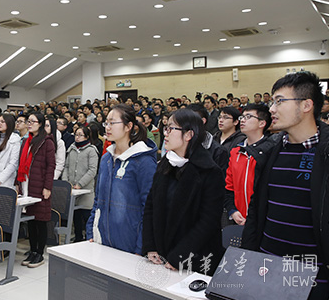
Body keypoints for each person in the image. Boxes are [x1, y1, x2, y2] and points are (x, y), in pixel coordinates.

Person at [242, 71, 329, 300]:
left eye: (280, 101)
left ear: (306, 105)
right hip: (267, 271)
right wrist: (249, 264)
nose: (272, 109)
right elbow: (256, 212)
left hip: (318, 281)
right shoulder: (269, 152)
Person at [143, 108, 224, 274]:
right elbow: (151, 206)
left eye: (171, 128)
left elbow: (208, 222)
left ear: (188, 135)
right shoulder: (166, 164)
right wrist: (150, 246)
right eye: (166, 128)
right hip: (162, 256)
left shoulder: (209, 171)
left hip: (194, 259)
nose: (165, 133)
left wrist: (179, 256)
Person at [86, 104, 157, 254]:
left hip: (130, 244)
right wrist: (91, 232)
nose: (107, 127)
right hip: (102, 240)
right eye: (106, 123)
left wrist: (141, 247)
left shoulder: (143, 161)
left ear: (128, 126)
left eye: (112, 123)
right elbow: (98, 201)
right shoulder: (106, 159)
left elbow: (149, 208)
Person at [224, 104, 276, 225]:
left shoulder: (271, 151)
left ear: (262, 123)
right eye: (242, 117)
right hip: (238, 217)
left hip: (262, 220)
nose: (243, 120)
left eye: (248, 117)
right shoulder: (236, 151)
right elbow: (229, 187)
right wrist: (233, 210)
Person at [16, 113, 55, 268]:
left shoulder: (47, 142)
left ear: (40, 124)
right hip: (27, 185)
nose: (29, 123)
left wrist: (47, 187)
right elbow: (20, 163)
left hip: (40, 186)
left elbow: (51, 166)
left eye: (33, 121)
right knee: (31, 221)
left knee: (41, 221)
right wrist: (18, 183)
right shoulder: (27, 141)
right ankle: (32, 250)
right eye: (28, 121)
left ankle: (39, 253)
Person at [62, 126, 99, 242]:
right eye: (76, 135)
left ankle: (89, 238)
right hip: (72, 190)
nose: (77, 137)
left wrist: (80, 184)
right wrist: (66, 182)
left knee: (87, 215)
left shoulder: (91, 150)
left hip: (86, 190)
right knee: (75, 216)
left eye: (80, 135)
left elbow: (92, 170)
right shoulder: (71, 149)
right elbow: (66, 167)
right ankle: (78, 237)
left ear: (87, 137)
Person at [44, 116, 65, 180]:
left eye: (47, 126)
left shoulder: (59, 142)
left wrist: (53, 177)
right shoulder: (39, 139)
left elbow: (60, 163)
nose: (44, 128)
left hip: (51, 176)